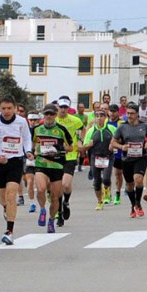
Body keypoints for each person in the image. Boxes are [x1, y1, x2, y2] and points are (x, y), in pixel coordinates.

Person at [0, 96, 32, 244]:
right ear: (0, 109)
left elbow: (27, 138)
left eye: (9, 108)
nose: (6, 111)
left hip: (16, 161)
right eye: (3, 108)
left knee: (11, 195)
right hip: (0, 163)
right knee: (3, 198)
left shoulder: (22, 122)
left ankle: (9, 231)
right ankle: (5, 207)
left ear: (15, 108)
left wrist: (28, 150)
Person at [31, 105, 73, 233]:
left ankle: (51, 220)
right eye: (46, 114)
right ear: (43, 115)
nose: (48, 116)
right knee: (41, 189)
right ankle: (43, 209)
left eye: (51, 114)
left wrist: (60, 148)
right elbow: (32, 144)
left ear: (55, 115)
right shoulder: (37, 129)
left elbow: (71, 147)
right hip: (41, 164)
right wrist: (34, 151)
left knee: (55, 197)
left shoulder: (61, 129)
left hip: (57, 165)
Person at [110, 103, 147, 218]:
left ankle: (138, 203)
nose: (129, 116)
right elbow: (113, 142)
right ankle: (133, 205)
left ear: (137, 114)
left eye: (132, 113)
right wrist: (121, 147)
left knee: (138, 179)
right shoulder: (122, 127)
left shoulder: (144, 126)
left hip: (140, 157)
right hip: (127, 159)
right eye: (128, 113)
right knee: (129, 185)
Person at [55, 97, 84, 227]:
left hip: (70, 155)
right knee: (58, 186)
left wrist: (80, 141)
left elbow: (82, 129)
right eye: (61, 107)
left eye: (65, 107)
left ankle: (66, 202)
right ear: (57, 107)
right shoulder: (53, 119)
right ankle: (59, 212)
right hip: (55, 156)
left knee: (66, 185)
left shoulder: (75, 120)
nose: (63, 110)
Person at [80, 109, 115, 210]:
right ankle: (99, 202)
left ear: (105, 118)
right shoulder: (91, 131)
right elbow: (84, 146)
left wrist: (114, 145)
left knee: (106, 179)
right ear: (95, 118)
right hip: (95, 157)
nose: (99, 118)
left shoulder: (111, 128)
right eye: (97, 116)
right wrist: (88, 145)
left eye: (102, 116)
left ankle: (107, 190)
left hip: (108, 157)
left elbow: (119, 139)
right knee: (97, 181)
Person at [23, 111, 43, 211]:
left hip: (40, 159)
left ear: (39, 120)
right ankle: (32, 203)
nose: (33, 122)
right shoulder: (25, 130)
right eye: (31, 120)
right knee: (30, 181)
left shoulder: (42, 130)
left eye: (35, 120)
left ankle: (43, 200)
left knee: (41, 184)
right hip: (29, 159)